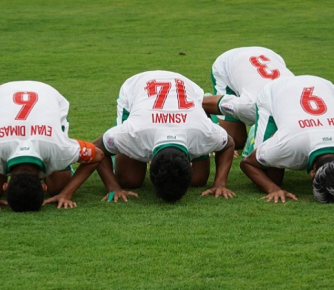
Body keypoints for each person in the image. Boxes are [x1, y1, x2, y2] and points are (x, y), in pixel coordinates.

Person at [240, 75, 334, 203]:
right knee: (271, 176)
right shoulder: (288, 145)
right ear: (312, 175)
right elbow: (248, 164)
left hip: (324, 87)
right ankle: (254, 136)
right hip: (276, 90)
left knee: (276, 161)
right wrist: (273, 188)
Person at [92, 70, 236, 203]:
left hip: (186, 91)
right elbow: (97, 147)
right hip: (137, 86)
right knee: (130, 180)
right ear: (150, 162)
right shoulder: (132, 132)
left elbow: (228, 144)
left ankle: (207, 113)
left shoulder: (204, 132)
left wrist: (220, 183)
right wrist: (114, 187)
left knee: (198, 180)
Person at [0, 81, 103, 212]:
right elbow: (98, 154)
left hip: (46, 95)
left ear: (6, 186)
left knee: (58, 187)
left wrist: (66, 193)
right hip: (6, 96)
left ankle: (63, 168)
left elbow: (98, 155)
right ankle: (61, 168)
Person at [202, 46, 294, 151]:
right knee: (235, 141)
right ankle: (210, 100)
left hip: (270, 55)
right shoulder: (249, 106)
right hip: (227, 65)